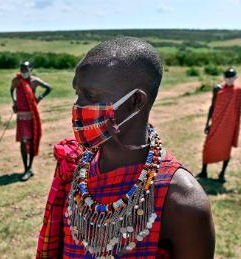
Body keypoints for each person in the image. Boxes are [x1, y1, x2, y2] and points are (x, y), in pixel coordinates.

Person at [37, 37, 215, 258]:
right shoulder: (75, 170)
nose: (78, 106)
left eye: (91, 96)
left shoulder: (182, 201)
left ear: (136, 102)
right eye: (78, 94)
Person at [197, 68, 241, 182]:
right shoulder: (217, 89)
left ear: (235, 78)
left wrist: (238, 113)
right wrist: (207, 123)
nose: (229, 80)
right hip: (216, 123)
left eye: (231, 78)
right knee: (208, 146)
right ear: (224, 78)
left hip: (229, 126)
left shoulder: (239, 91)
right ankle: (204, 171)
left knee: (226, 149)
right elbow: (212, 106)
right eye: (227, 78)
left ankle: (222, 174)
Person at [10, 61, 52, 181]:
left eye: (26, 69)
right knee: (23, 142)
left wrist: (40, 98)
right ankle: (25, 169)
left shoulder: (34, 81)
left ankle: (30, 168)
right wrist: (14, 102)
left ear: (31, 69)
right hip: (21, 116)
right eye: (22, 69)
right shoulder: (16, 81)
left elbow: (49, 88)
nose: (23, 71)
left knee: (32, 140)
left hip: (32, 116)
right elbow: (11, 90)